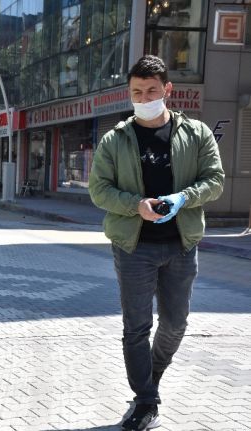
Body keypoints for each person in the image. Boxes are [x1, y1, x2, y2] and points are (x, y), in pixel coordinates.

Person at [89, 55, 224, 431]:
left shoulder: (196, 134)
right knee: (136, 326)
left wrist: (183, 197)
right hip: (134, 247)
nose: (144, 97)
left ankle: (153, 378)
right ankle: (146, 399)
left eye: (151, 90)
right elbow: (99, 190)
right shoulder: (115, 139)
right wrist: (137, 206)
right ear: (128, 93)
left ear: (167, 90)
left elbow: (215, 179)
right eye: (136, 91)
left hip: (181, 244)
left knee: (176, 323)